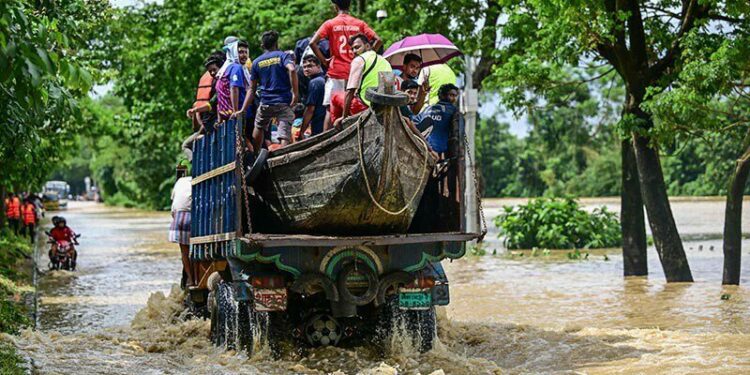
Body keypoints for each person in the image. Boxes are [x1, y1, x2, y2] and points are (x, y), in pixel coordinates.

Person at [309, 0, 382, 109]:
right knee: (354, 108)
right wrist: (368, 56)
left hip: (336, 72)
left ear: (335, 7)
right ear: (349, 6)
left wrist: (324, 61)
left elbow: (312, 43)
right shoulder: (359, 24)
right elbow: (379, 40)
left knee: (331, 109)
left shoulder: (330, 24)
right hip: (356, 72)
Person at [243, 30, 298, 150]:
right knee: (284, 130)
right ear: (276, 44)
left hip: (265, 103)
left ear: (262, 46)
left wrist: (243, 109)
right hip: (283, 102)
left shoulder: (256, 62)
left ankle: (256, 156)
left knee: (259, 126)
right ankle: (283, 156)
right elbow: (292, 70)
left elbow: (252, 89)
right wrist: (295, 93)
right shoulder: (283, 56)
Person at [327, 34, 392, 130]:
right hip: (385, 107)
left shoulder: (359, 60)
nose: (354, 51)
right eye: (352, 49)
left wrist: (345, 118)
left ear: (367, 46)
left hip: (364, 106)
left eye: (357, 47)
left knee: (335, 96)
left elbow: (350, 91)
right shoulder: (385, 61)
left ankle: (338, 128)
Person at [183, 51, 226, 161]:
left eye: (214, 70)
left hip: (212, 124)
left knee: (186, 145)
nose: (212, 73)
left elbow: (212, 104)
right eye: (210, 71)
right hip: (208, 123)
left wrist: (196, 110)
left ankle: (196, 164)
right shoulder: (217, 81)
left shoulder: (220, 82)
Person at [418, 83, 459, 157]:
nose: (454, 99)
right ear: (443, 95)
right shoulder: (453, 111)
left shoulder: (427, 108)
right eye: (451, 95)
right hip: (437, 153)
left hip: (420, 146)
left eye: (455, 96)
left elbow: (414, 122)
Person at [215, 39, 251, 121]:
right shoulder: (236, 67)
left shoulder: (226, 69)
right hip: (240, 115)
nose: (244, 55)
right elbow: (234, 88)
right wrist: (235, 111)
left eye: (246, 52)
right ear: (233, 53)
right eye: (240, 52)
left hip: (230, 115)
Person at [169, 165, 193, 287]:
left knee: (184, 252)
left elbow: (173, 202)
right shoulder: (198, 181)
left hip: (178, 217)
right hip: (192, 217)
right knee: (195, 250)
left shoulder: (180, 181)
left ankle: (190, 278)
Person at [297, 55, 327, 140]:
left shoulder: (315, 82)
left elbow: (310, 109)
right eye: (304, 67)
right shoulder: (324, 79)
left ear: (318, 66)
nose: (306, 69)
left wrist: (302, 131)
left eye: (310, 66)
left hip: (319, 124)